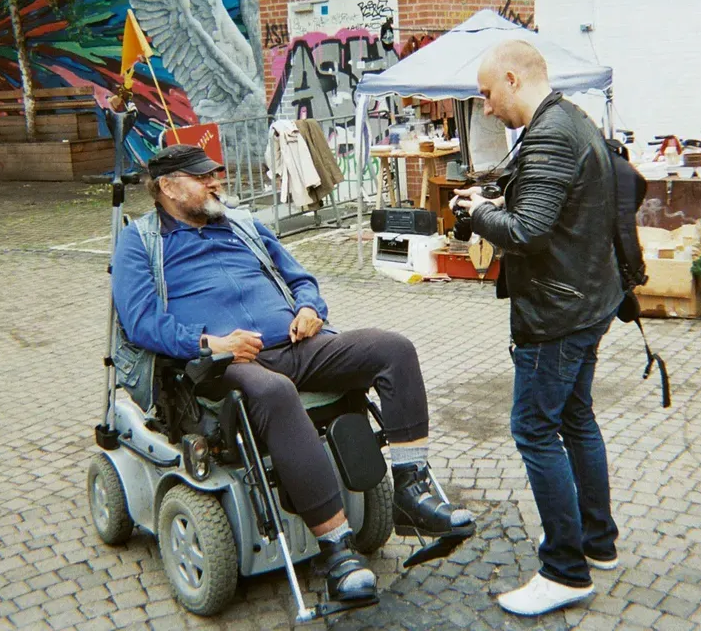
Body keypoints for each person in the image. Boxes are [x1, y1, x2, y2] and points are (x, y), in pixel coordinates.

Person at [111, 144, 473, 605]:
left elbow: (300, 277)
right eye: (203, 177)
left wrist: (308, 306)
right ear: (166, 187)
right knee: (275, 392)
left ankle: (411, 490)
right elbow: (141, 322)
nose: (216, 183)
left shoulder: (241, 223)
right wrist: (210, 343)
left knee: (393, 350)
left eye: (215, 175)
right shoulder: (140, 242)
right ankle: (337, 549)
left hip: (298, 344)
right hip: (222, 365)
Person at [453, 40, 623, 617]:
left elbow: (527, 231)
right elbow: (551, 206)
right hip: (589, 301)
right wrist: (494, 195)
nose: (486, 107)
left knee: (533, 429)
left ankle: (565, 571)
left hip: (556, 316)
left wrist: (476, 212)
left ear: (511, 78)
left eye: (485, 94)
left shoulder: (550, 133)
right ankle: (597, 542)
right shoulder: (573, 119)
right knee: (575, 418)